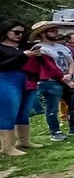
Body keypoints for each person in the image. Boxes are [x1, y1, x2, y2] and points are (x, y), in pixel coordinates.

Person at [33, 24, 74, 141]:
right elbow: (49, 68)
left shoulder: (63, 47)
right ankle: (55, 131)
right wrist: (65, 80)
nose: (56, 32)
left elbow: (71, 62)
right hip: (50, 82)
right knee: (52, 108)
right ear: (42, 33)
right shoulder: (39, 48)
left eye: (56, 30)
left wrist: (69, 75)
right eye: (52, 31)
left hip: (67, 79)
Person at [0, 19, 43, 156]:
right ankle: (7, 147)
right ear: (5, 31)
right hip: (6, 79)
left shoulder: (23, 47)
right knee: (8, 112)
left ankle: (23, 141)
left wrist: (36, 55)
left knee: (24, 111)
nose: (19, 35)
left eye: (22, 33)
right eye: (16, 32)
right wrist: (23, 55)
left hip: (27, 80)